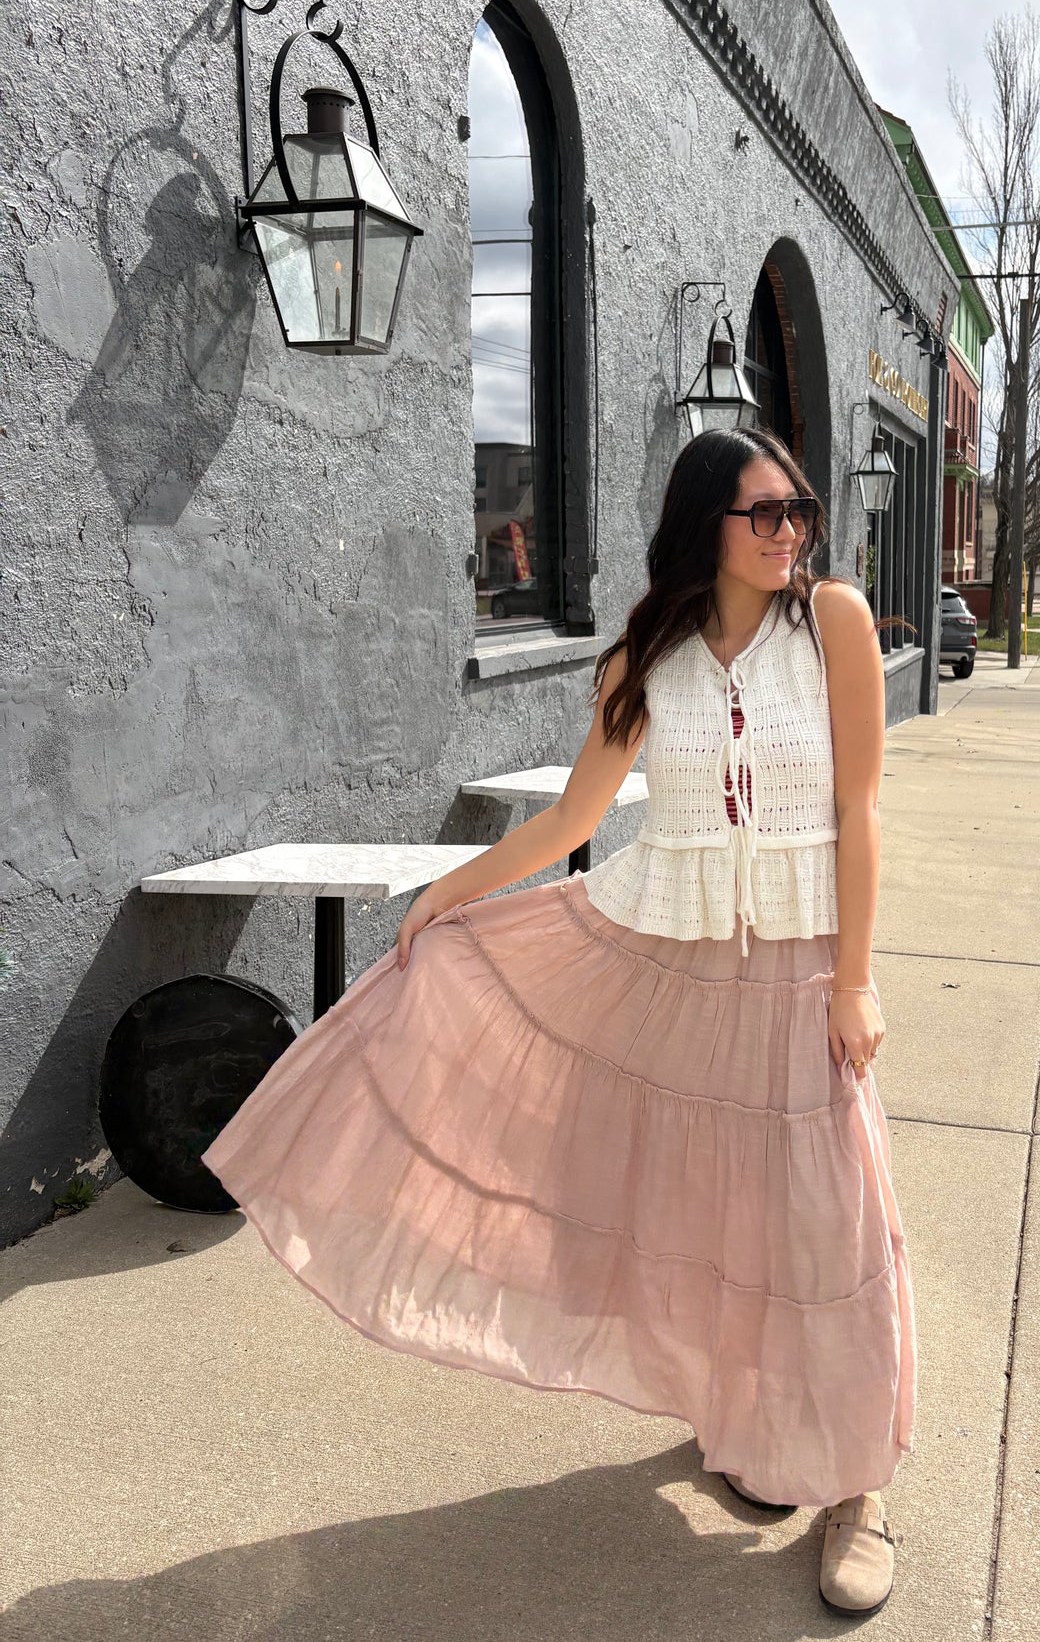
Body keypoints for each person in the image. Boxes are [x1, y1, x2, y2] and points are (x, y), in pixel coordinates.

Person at [202, 427, 915, 1614]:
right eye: (766, 515)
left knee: (830, 1222)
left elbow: (860, 807)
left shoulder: (829, 622)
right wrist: (450, 892)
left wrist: (853, 977)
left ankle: (860, 1484)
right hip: (676, 967)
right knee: (717, 1215)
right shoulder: (647, 654)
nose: (793, 533)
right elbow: (573, 817)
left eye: (800, 510)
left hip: (797, 971)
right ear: (707, 527)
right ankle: (749, 1419)